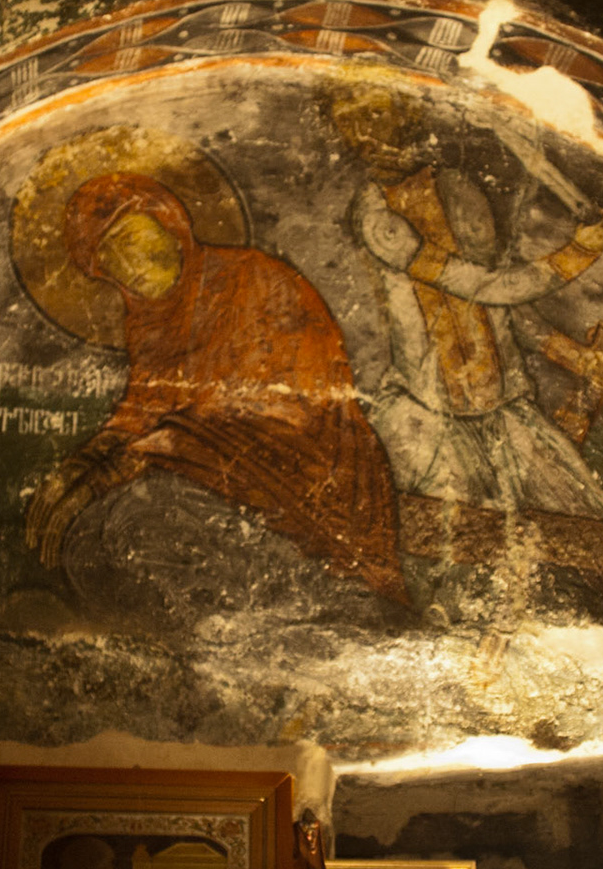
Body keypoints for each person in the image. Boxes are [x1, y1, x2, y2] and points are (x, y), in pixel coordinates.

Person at [26, 171, 407, 604]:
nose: (130, 269)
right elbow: (143, 408)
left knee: (139, 514)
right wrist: (85, 464)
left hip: (309, 475)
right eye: (110, 263)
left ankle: (289, 605)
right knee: (85, 540)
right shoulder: (150, 323)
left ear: (169, 224)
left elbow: (275, 414)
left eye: (131, 242)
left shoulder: (255, 280)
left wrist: (133, 461)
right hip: (208, 470)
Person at [329, 82, 603, 524]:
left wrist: (575, 358)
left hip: (505, 407)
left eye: (371, 114)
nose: (358, 135)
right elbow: (483, 288)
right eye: (346, 122)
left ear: (405, 113)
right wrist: (576, 254)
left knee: (596, 528)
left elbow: (500, 309)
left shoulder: (456, 188)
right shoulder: (376, 216)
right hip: (428, 414)